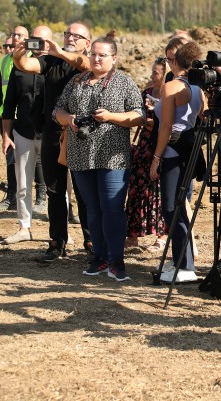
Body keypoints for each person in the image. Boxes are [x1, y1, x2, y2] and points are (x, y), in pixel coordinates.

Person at [53, 32, 144, 281]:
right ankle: (99, 257)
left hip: (113, 157)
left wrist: (111, 117)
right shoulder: (77, 81)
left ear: (113, 58)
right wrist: (69, 119)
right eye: (93, 54)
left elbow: (139, 115)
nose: (96, 59)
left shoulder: (124, 82)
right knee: (92, 210)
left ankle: (117, 261)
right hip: (81, 155)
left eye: (102, 55)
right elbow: (57, 110)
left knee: (113, 209)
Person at [13, 22, 94, 262]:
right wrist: (19, 57)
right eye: (67, 33)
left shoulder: (92, 63)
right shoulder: (52, 61)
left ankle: (91, 240)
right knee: (55, 190)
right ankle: (57, 242)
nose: (69, 37)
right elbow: (28, 64)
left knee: (83, 191)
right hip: (53, 133)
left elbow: (84, 64)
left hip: (82, 135)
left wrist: (60, 52)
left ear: (86, 43)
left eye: (75, 35)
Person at [150, 40, 207, 284]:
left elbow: (165, 126)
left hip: (173, 149)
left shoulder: (172, 86)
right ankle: (181, 260)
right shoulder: (199, 88)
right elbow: (201, 115)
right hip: (190, 148)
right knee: (179, 206)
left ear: (175, 62)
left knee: (172, 208)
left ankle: (185, 265)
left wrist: (156, 158)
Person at [0, 25, 50, 245]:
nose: (37, 44)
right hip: (23, 131)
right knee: (22, 182)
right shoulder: (18, 67)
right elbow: (9, 103)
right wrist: (6, 134)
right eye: (34, 40)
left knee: (58, 185)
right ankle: (24, 227)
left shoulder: (57, 66)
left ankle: (60, 232)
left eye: (41, 40)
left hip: (51, 133)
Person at [124, 57, 168, 251]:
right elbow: (139, 116)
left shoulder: (171, 95)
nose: (151, 77)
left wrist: (151, 121)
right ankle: (132, 235)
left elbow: (168, 123)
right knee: (136, 191)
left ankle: (162, 236)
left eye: (156, 73)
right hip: (143, 147)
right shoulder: (147, 93)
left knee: (158, 192)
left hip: (161, 146)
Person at [0, 26, 29, 210]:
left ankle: (41, 197)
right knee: (10, 155)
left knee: (36, 160)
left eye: (19, 35)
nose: (15, 38)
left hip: (27, 116)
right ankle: (11, 195)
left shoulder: (33, 59)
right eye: (13, 35)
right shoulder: (4, 61)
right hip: (6, 114)